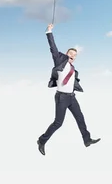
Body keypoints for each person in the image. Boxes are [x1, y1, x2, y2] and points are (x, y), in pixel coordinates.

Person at [37, 23, 100, 155]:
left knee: (80, 118)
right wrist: (49, 32)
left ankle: (87, 140)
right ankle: (42, 141)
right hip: (61, 97)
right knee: (58, 123)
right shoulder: (60, 61)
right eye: (71, 53)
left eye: (75, 55)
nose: (73, 55)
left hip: (71, 97)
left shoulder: (73, 70)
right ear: (66, 54)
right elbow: (53, 47)